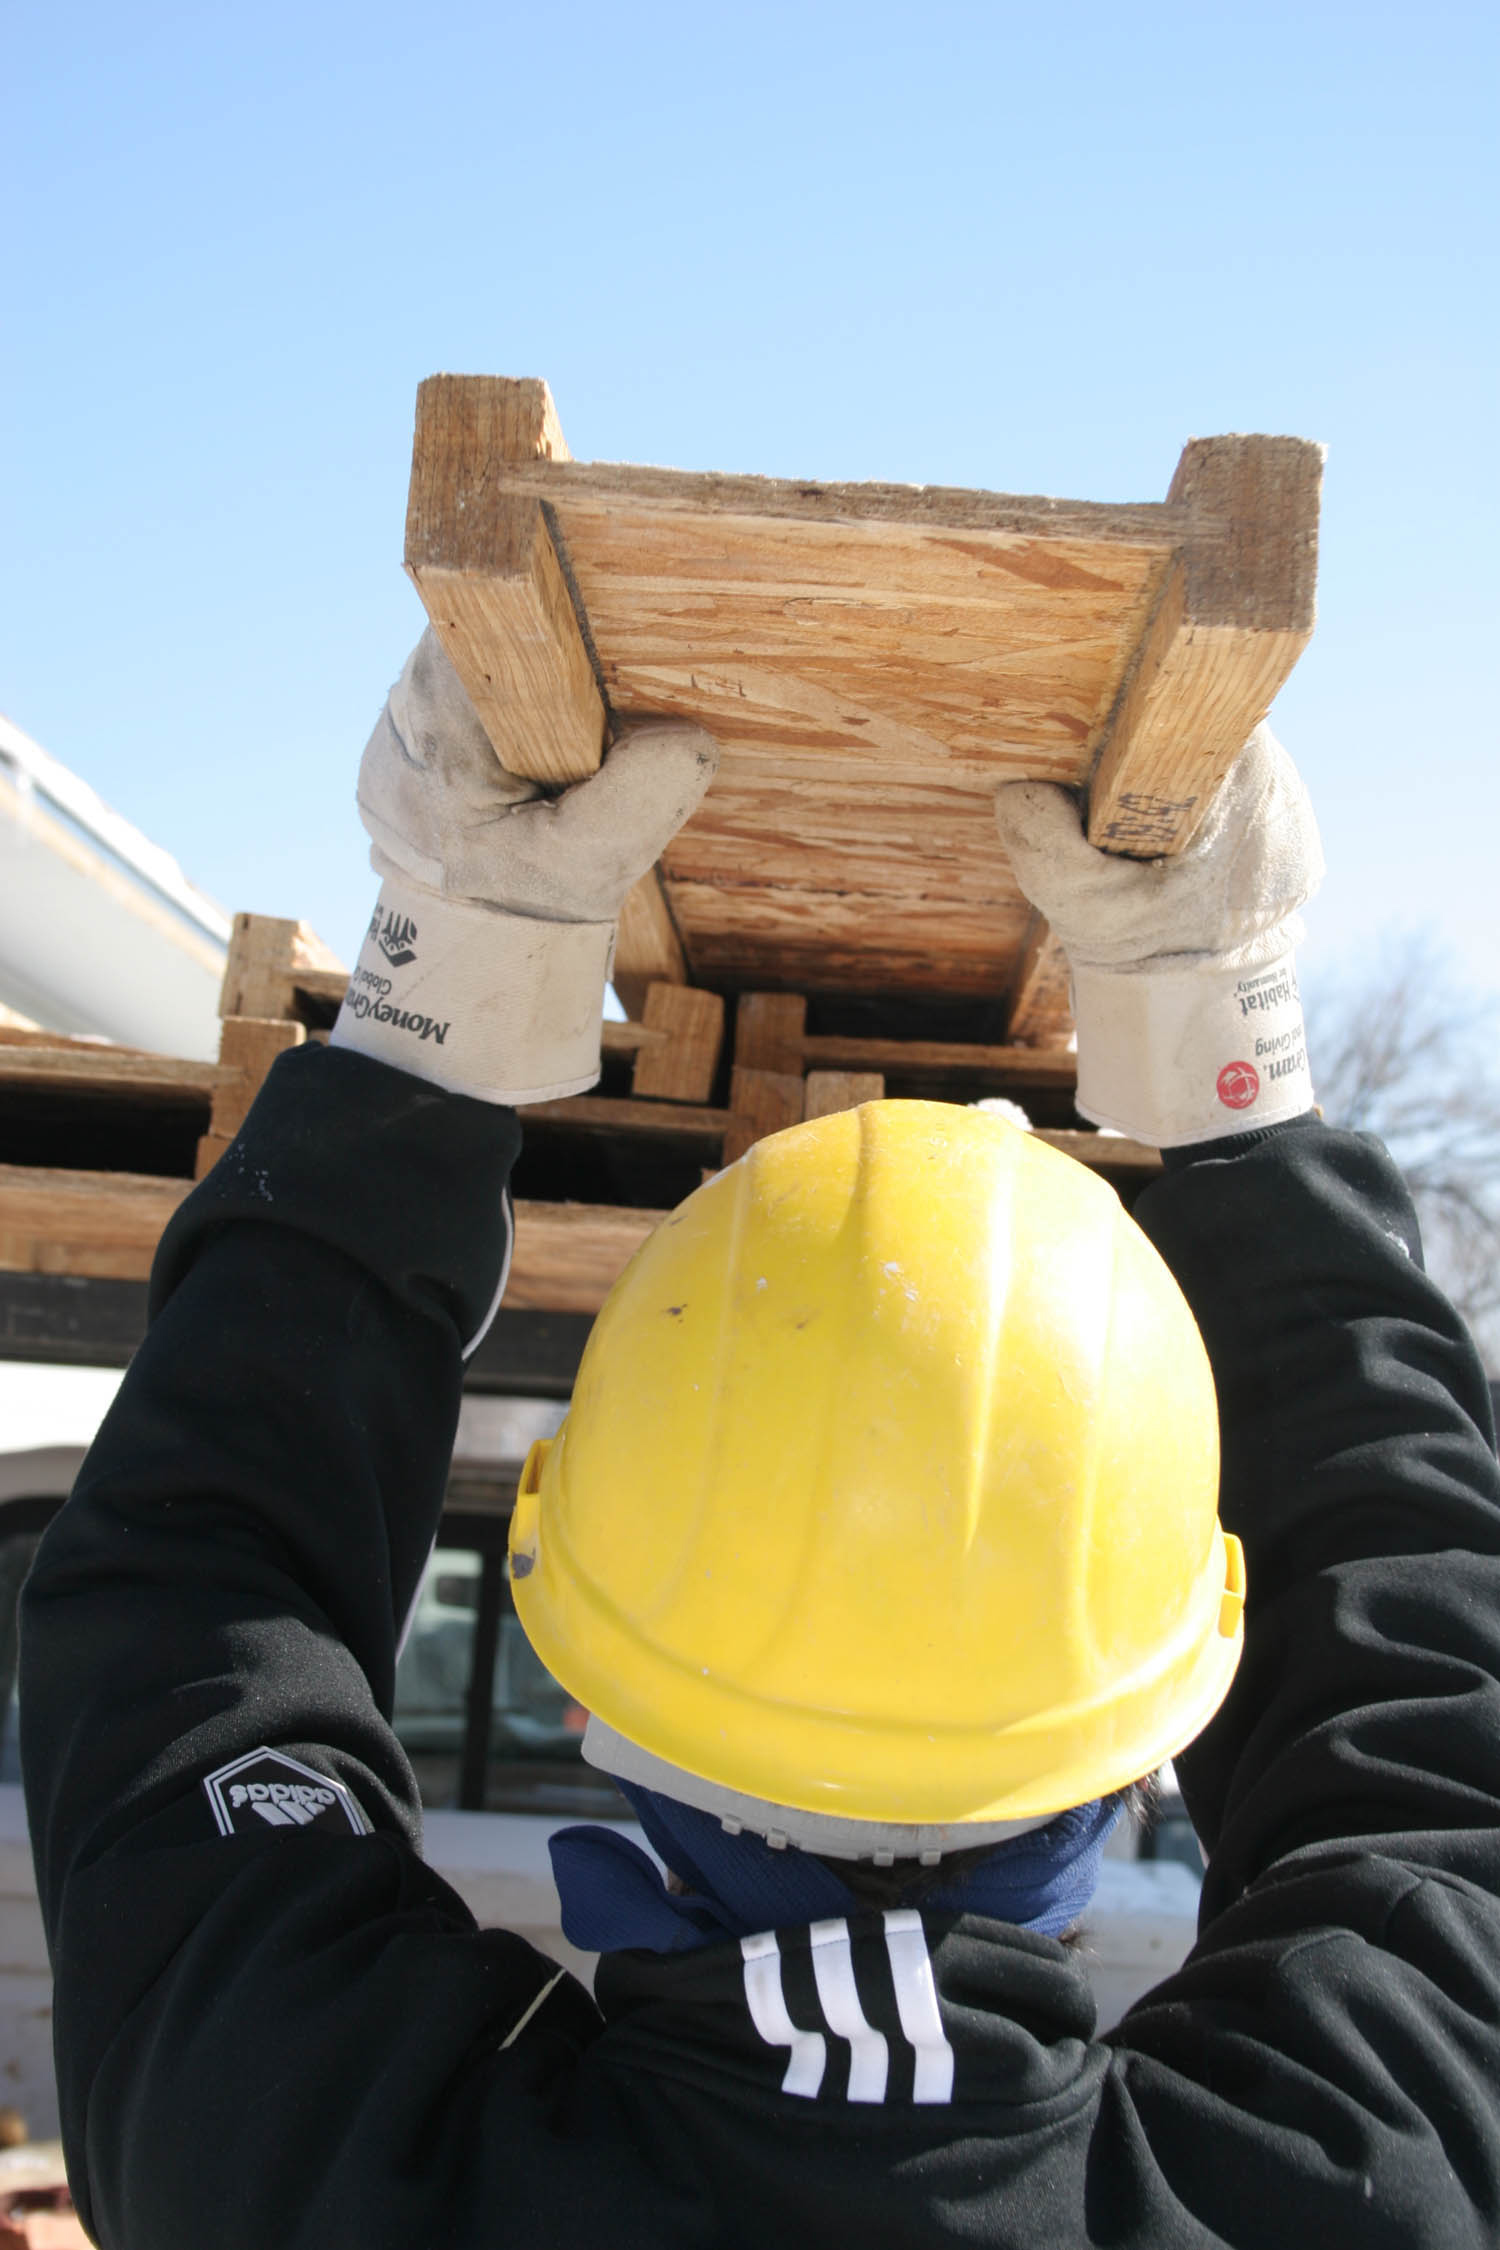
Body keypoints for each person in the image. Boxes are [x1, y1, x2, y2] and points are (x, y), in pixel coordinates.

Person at [20, 633, 1500, 2250]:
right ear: (1146, 1743)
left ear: (586, 1682)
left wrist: (441, 989)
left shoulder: (292, 2147)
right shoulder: (1366, 2180)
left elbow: (187, 1596)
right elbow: (1430, 1750)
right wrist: (1229, 1060)